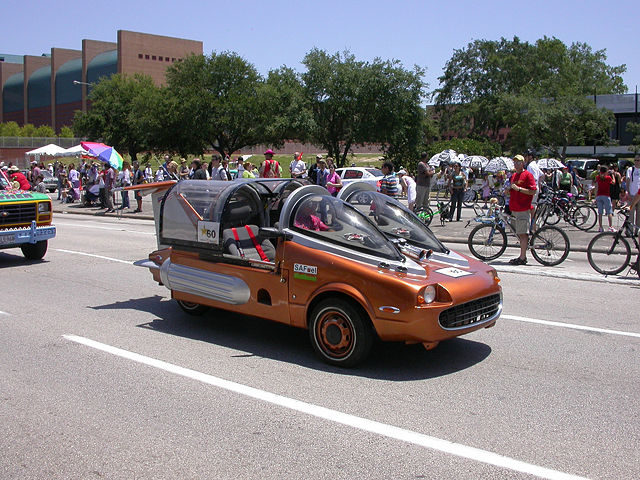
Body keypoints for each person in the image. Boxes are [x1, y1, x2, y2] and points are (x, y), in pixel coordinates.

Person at [507, 154, 537, 265]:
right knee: (519, 233)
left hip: (523, 208)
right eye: (514, 162)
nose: (516, 164)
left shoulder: (527, 175)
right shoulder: (514, 176)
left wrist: (519, 189)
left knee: (523, 234)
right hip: (514, 208)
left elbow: (533, 191)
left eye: (518, 162)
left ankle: (522, 257)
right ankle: (522, 254)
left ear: (523, 163)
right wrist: (509, 190)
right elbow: (512, 190)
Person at [594, 165, 615, 232]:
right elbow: (613, 182)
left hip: (599, 195)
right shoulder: (608, 178)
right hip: (606, 195)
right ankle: (610, 226)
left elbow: (596, 187)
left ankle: (600, 227)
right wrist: (613, 175)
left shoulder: (598, 177)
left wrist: (595, 196)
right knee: (609, 212)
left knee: (600, 212)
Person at [626, 155, 640, 229]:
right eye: (635, 160)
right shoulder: (630, 170)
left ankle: (637, 231)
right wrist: (628, 192)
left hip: (639, 195)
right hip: (632, 194)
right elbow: (627, 181)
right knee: (630, 214)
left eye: (638, 160)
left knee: (639, 215)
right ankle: (629, 230)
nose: (637, 162)